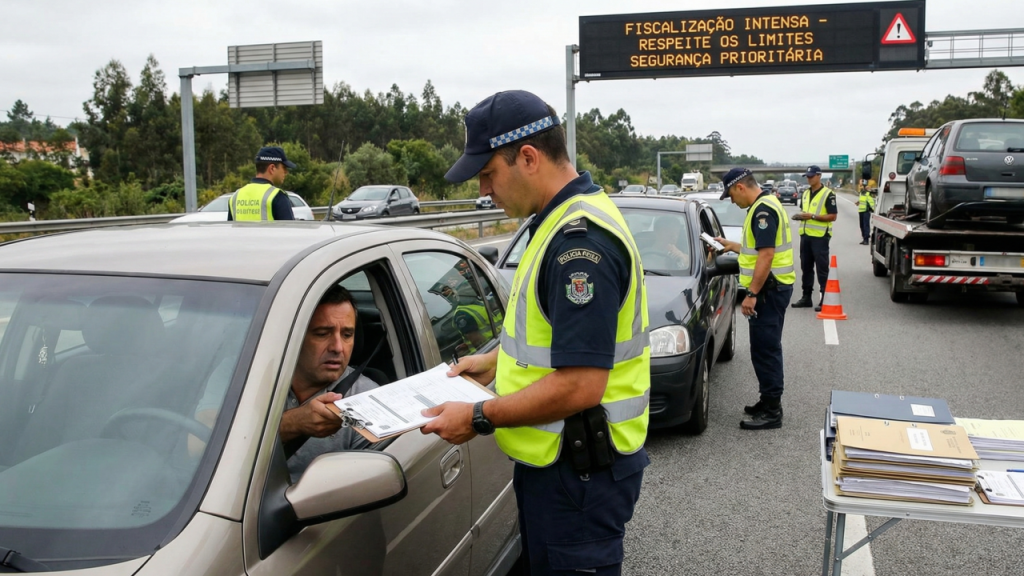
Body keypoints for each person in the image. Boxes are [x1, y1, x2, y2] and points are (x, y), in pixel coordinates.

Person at [420, 90, 650, 575]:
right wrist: (493, 363)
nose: (484, 190)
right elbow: (553, 338)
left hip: (578, 476)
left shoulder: (579, 244)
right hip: (563, 468)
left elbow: (581, 383)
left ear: (528, 157)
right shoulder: (557, 221)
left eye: (488, 174)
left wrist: (478, 417)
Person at [714, 168, 795, 430]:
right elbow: (756, 249)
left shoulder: (762, 211)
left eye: (731, 196)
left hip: (769, 292)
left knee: (766, 350)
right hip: (772, 290)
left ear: (740, 188)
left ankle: (773, 411)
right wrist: (730, 245)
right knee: (764, 349)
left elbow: (767, 256)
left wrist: (751, 294)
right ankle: (767, 400)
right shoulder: (765, 205)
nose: (732, 202)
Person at [279, 284, 380, 481]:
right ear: (293, 337)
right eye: (322, 333)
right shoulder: (250, 379)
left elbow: (362, 491)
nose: (338, 347)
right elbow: (209, 444)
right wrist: (293, 423)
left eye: (347, 335)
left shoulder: (369, 402)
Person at [791, 165, 837, 312]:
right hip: (805, 235)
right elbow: (804, 211)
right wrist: (800, 216)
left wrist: (812, 216)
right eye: (807, 176)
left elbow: (833, 216)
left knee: (822, 269)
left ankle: (825, 298)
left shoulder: (828, 194)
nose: (809, 179)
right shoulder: (805, 193)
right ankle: (806, 297)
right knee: (806, 268)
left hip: (820, 237)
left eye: (811, 176)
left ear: (819, 176)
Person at [227, 145, 297, 221]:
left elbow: (230, 231)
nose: (286, 172)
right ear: (272, 168)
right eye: (284, 168)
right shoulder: (277, 196)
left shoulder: (235, 197)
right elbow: (289, 231)